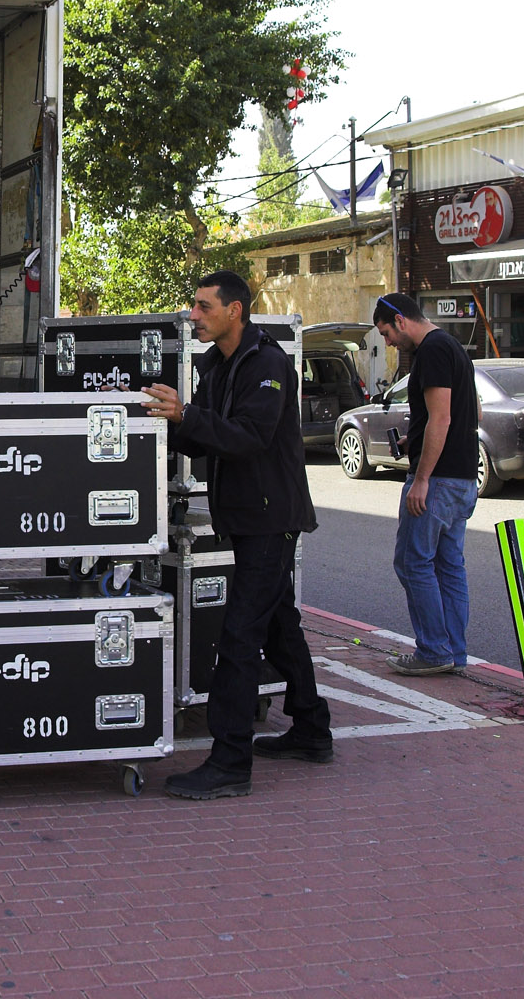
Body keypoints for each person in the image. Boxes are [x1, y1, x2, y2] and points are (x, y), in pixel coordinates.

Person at [145, 271, 332, 800]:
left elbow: (250, 437)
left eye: (204, 307)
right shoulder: (217, 363)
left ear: (235, 311)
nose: (194, 316)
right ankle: (312, 729)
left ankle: (230, 762)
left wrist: (187, 414)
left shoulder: (268, 364)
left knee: (239, 637)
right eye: (193, 306)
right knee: (278, 626)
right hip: (247, 516)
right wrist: (162, 417)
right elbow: (204, 436)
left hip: (271, 519)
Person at [371, 292, 481, 676]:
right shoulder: (452, 346)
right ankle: (453, 652)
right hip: (462, 478)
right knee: (449, 567)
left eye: (386, 333)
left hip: (438, 481)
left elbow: (441, 418)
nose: (388, 342)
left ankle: (434, 650)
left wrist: (422, 478)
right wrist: (413, 440)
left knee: (412, 562)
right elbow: (471, 410)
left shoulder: (431, 351)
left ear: (400, 320)